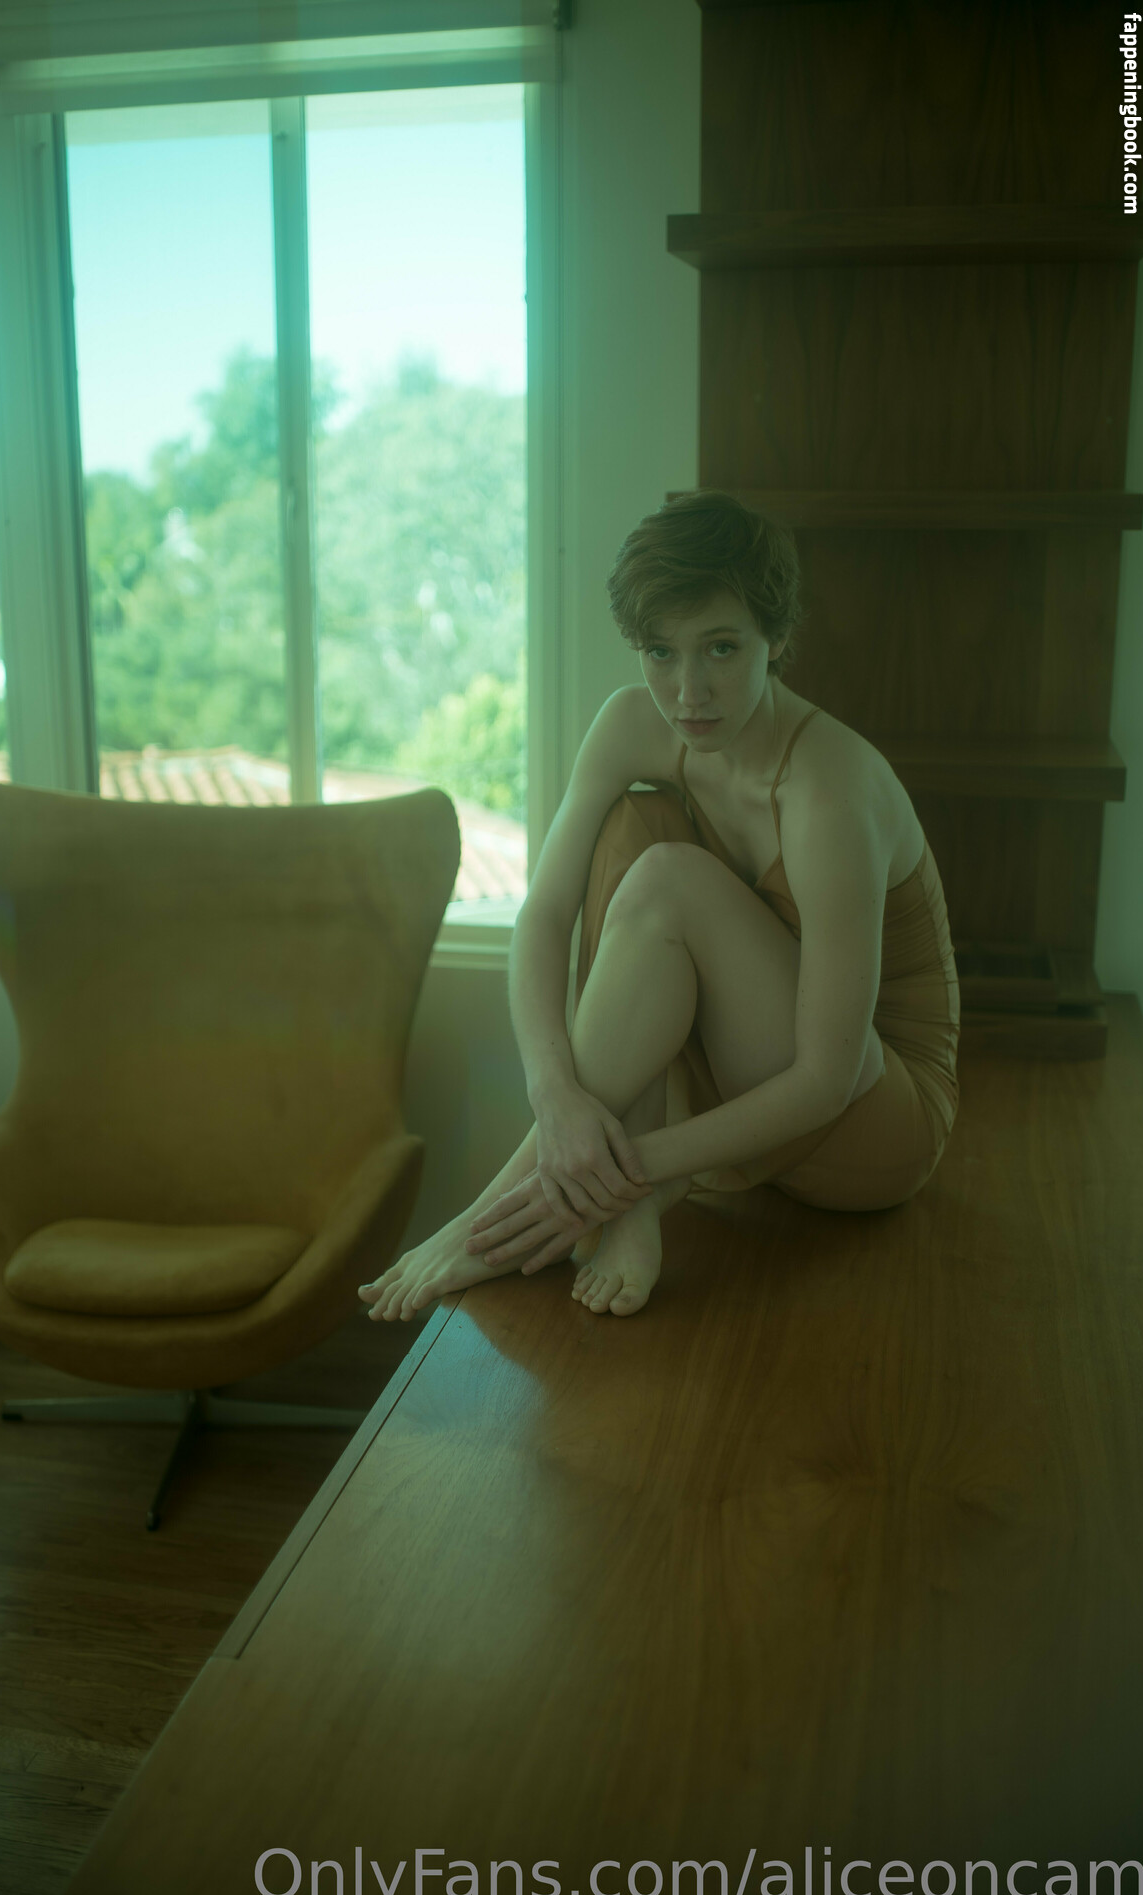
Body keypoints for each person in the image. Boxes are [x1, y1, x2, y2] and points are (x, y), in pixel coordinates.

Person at [358, 490, 960, 1325]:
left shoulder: (828, 789)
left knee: (667, 877)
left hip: (869, 1121)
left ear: (775, 638)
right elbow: (543, 917)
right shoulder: (634, 726)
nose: (688, 691)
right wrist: (553, 1097)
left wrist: (620, 1173)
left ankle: (498, 1218)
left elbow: (828, 1078)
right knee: (632, 829)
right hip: (743, 1096)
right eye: (659, 651)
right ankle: (594, 1208)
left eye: (721, 648)